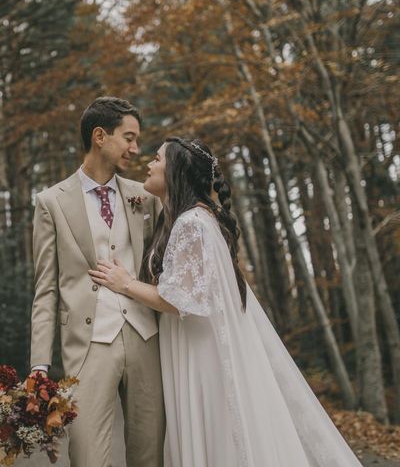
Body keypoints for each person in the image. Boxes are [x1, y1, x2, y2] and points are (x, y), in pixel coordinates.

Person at [89, 137, 364, 467]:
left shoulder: (192, 223)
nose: (148, 164)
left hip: (200, 350)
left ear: (176, 171)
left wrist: (126, 284)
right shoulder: (191, 218)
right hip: (191, 342)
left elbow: (180, 300)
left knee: (215, 433)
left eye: (157, 159)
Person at [29, 97, 165, 467]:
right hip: (86, 346)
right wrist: (39, 364)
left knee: (150, 453)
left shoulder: (145, 197)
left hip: (145, 338)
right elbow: (46, 289)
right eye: (129, 137)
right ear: (100, 136)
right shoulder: (50, 203)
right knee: (87, 457)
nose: (136, 149)